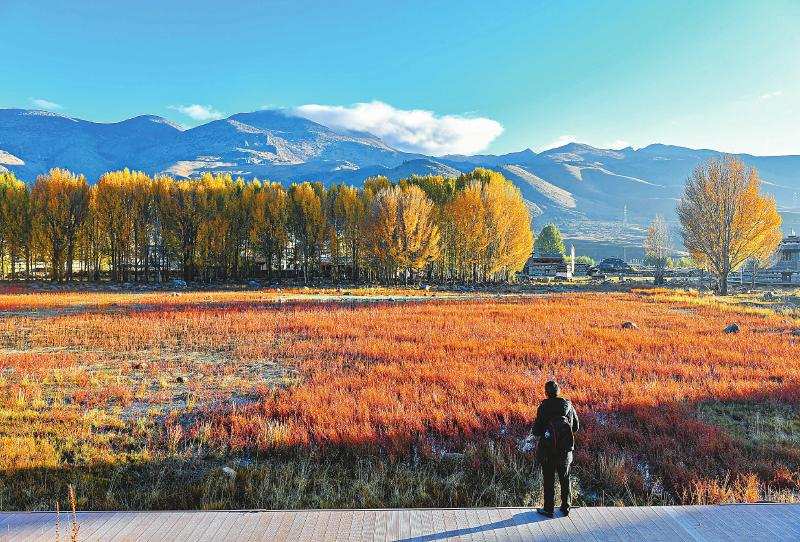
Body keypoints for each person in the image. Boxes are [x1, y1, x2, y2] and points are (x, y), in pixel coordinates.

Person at [532, 380, 580, 518]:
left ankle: (548, 509)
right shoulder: (568, 405)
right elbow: (576, 427)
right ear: (558, 391)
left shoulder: (543, 407)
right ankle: (565, 508)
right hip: (565, 451)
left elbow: (536, 431)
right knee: (565, 478)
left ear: (546, 393)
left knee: (548, 480)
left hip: (547, 451)